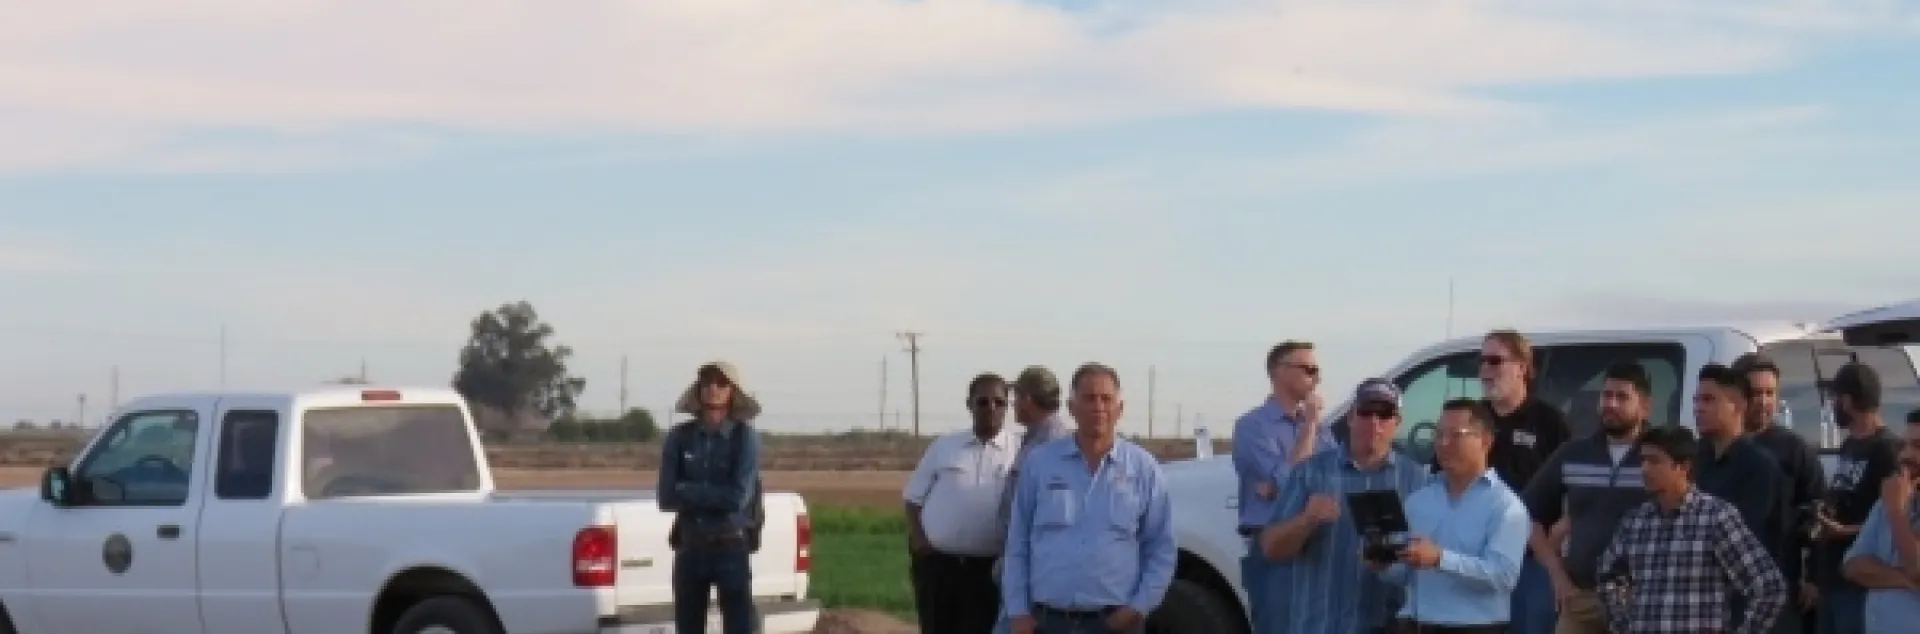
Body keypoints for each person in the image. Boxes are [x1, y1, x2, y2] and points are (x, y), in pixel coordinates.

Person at [1003, 363, 1175, 634]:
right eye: (1089, 398)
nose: (1098, 407)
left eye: (1106, 399)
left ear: (1120, 408)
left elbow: (1161, 548)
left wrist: (1138, 607)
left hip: (1115, 623)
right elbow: (1017, 543)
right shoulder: (1041, 464)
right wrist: (1018, 612)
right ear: (1072, 408)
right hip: (1048, 622)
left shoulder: (1143, 469)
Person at [1260, 378, 1432, 634]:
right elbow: (1271, 547)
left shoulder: (1417, 480)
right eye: (1365, 412)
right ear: (1351, 418)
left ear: (1397, 422)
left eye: (1384, 414)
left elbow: (1432, 561)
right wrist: (1305, 520)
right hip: (1320, 625)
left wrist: (1392, 560)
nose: (1374, 422)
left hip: (1388, 624)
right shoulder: (1312, 473)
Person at [1597, 425, 1787, 634]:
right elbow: (1608, 576)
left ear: (1683, 467)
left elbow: (1769, 587)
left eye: (1654, 461)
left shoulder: (1715, 517)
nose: (1644, 469)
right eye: (1642, 460)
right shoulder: (1635, 522)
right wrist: (1623, 624)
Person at [1372, 398, 1531, 633]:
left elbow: (1504, 576)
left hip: (1472, 628)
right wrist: (1383, 564)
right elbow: (1407, 575)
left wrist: (1440, 559)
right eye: (1439, 435)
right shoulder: (1419, 500)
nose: (1444, 443)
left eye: (1456, 435)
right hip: (1413, 624)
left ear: (1485, 440)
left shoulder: (1505, 506)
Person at [1519, 362, 1655, 634]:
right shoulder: (1572, 453)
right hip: (1580, 598)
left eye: (1622, 397)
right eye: (1606, 396)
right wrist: (1557, 575)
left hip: (1642, 601)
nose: (1611, 404)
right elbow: (1523, 513)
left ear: (1645, 406)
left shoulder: (1659, 456)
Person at [1462, 330, 1572, 634]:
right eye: (1481, 361)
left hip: (1531, 562)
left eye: (1495, 361)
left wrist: (1550, 548)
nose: (1485, 369)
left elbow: (1574, 493)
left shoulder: (1551, 423)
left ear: (1522, 367)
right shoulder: (1468, 420)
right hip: (1475, 560)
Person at [904, 372, 1020, 634]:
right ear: (969, 405)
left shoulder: (1020, 451)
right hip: (939, 567)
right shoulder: (945, 447)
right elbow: (913, 498)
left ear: (1007, 407)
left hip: (989, 571)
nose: (991, 408)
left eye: (998, 402)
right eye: (982, 401)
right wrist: (920, 540)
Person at [659, 361, 765, 634]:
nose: (713, 388)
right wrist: (707, 494)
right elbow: (666, 497)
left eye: (721, 383)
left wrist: (688, 490)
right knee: (688, 626)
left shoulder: (745, 438)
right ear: (698, 390)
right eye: (706, 382)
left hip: (730, 547)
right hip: (690, 546)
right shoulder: (680, 437)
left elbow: (738, 498)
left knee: (739, 626)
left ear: (732, 392)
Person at [1233, 340, 1332, 632]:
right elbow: (1294, 482)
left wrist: (1280, 484)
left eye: (1317, 371)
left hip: (1317, 549)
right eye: (1308, 369)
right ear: (1279, 371)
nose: (1316, 378)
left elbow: (1331, 481)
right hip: (1276, 554)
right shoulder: (1253, 426)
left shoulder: (1323, 432)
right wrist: (1310, 427)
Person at [1733, 352, 1827, 629]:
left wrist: (1812, 578)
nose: (1763, 402)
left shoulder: (1794, 450)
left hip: (1780, 583)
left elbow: (1818, 513)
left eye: (1770, 393)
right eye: (1755, 393)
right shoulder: (1713, 448)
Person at [1815, 362, 1903, 634]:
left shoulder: (1887, 449)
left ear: (1849, 400)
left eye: (1835, 398)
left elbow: (1896, 517)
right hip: (1834, 579)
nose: (1832, 405)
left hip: (1861, 585)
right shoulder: (1850, 444)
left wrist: (1844, 531)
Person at [1840, 410, 1920, 633]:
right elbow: (1853, 566)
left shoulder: (1893, 503)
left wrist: (1897, 512)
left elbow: (1918, 567)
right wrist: (1904, 580)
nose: (1905, 455)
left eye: (1918, 447)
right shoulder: (1889, 500)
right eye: (1903, 445)